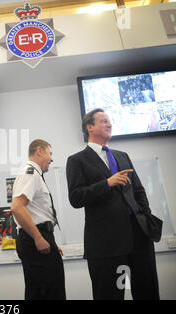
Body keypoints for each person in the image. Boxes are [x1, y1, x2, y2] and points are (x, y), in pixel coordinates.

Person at [66, 108, 160, 300]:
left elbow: (139, 190)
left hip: (139, 238)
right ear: (89, 127)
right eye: (104, 121)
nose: (110, 124)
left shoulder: (122, 155)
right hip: (106, 244)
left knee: (148, 292)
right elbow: (75, 197)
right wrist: (106, 183)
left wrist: (145, 215)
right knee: (110, 295)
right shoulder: (77, 160)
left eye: (109, 121)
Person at [11, 139, 66, 300]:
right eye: (50, 153)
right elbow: (17, 207)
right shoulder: (29, 174)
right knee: (48, 293)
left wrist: (50, 241)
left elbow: (36, 213)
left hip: (41, 236)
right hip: (34, 239)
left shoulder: (34, 175)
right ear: (39, 151)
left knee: (47, 290)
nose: (52, 159)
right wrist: (38, 237)